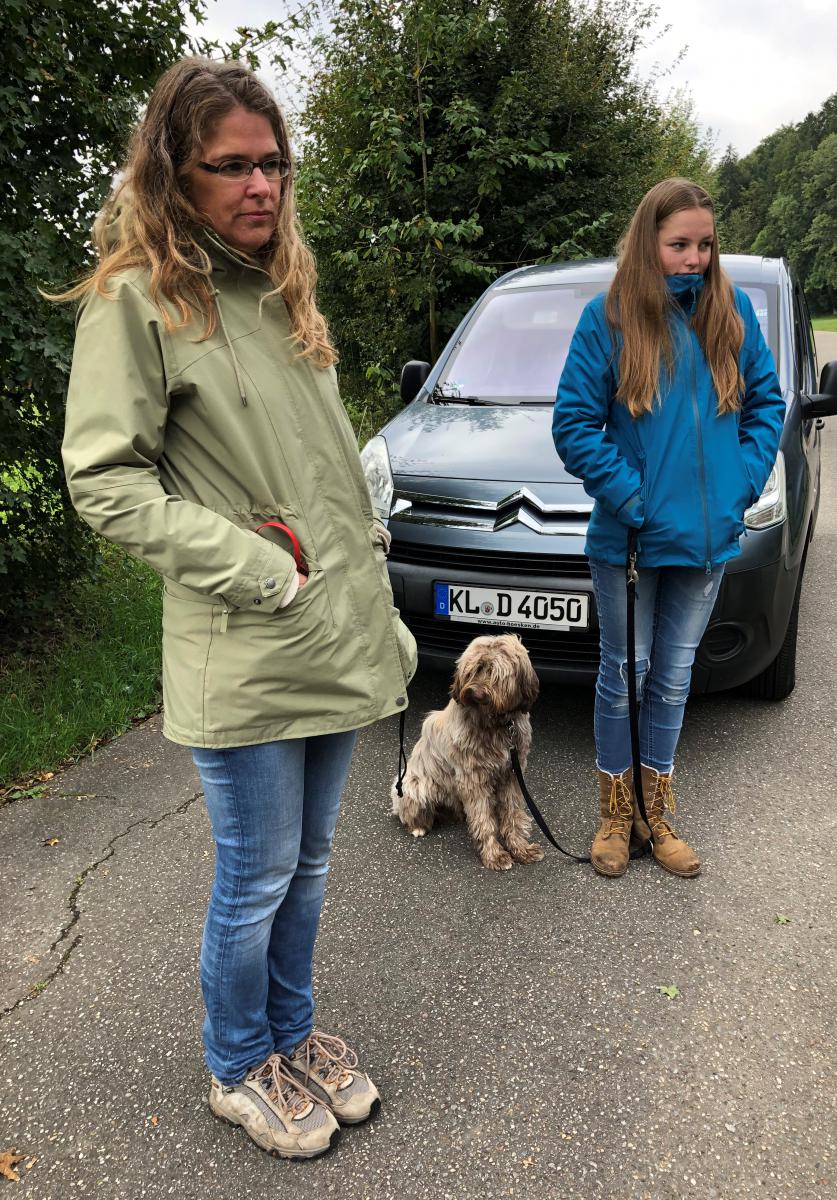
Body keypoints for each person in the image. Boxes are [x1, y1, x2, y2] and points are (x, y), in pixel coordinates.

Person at [59, 57, 417, 1160]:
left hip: (334, 634)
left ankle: (291, 1035)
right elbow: (105, 480)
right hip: (250, 639)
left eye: (273, 163)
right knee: (256, 876)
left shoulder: (281, 290)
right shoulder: (138, 299)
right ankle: (235, 1062)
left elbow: (322, 480)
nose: (261, 185)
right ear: (174, 171)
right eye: (231, 166)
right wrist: (262, 570)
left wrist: (373, 606)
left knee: (308, 867)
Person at [552, 178, 784, 880]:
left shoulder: (731, 315)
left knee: (674, 678)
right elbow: (573, 425)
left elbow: (765, 406)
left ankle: (656, 816)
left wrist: (739, 486)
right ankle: (614, 814)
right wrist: (632, 496)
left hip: (706, 541)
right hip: (629, 540)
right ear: (647, 241)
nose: (694, 258)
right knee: (624, 675)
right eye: (679, 243)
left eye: (704, 245)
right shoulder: (607, 318)